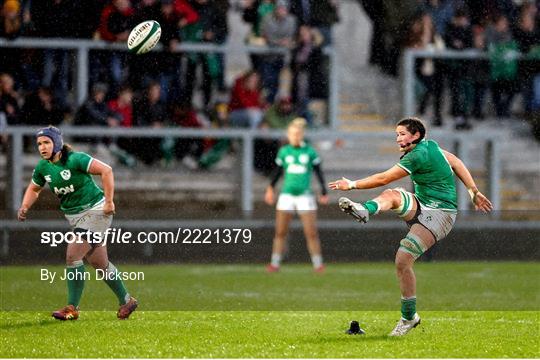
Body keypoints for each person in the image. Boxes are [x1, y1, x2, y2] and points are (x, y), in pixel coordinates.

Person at [329, 117, 492, 336]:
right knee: (392, 195)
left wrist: (351, 184)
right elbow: (456, 161)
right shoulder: (431, 146)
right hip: (422, 205)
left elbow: (383, 177)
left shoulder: (417, 155)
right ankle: (366, 209)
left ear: (415, 135)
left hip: (441, 214)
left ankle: (408, 318)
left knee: (402, 259)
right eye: (397, 134)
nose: (398, 138)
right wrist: (473, 191)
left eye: (402, 134)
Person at [17, 126, 138, 321]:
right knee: (99, 263)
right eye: (39, 144)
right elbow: (34, 188)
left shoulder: (75, 159)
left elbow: (106, 171)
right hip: (76, 218)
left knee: (73, 255)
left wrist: (109, 201)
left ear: (56, 143)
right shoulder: (43, 167)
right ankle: (127, 301)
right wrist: (25, 206)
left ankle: (72, 307)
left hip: (96, 211)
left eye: (47, 142)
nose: (42, 147)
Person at [264, 118, 328, 273]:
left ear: (302, 135)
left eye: (298, 134)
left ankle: (318, 264)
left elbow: (318, 172)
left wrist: (324, 191)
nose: (295, 136)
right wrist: (270, 188)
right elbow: (278, 172)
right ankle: (275, 263)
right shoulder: (284, 152)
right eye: (292, 134)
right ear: (288, 135)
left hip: (305, 196)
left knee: (311, 232)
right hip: (286, 196)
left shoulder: (310, 152)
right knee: (280, 231)